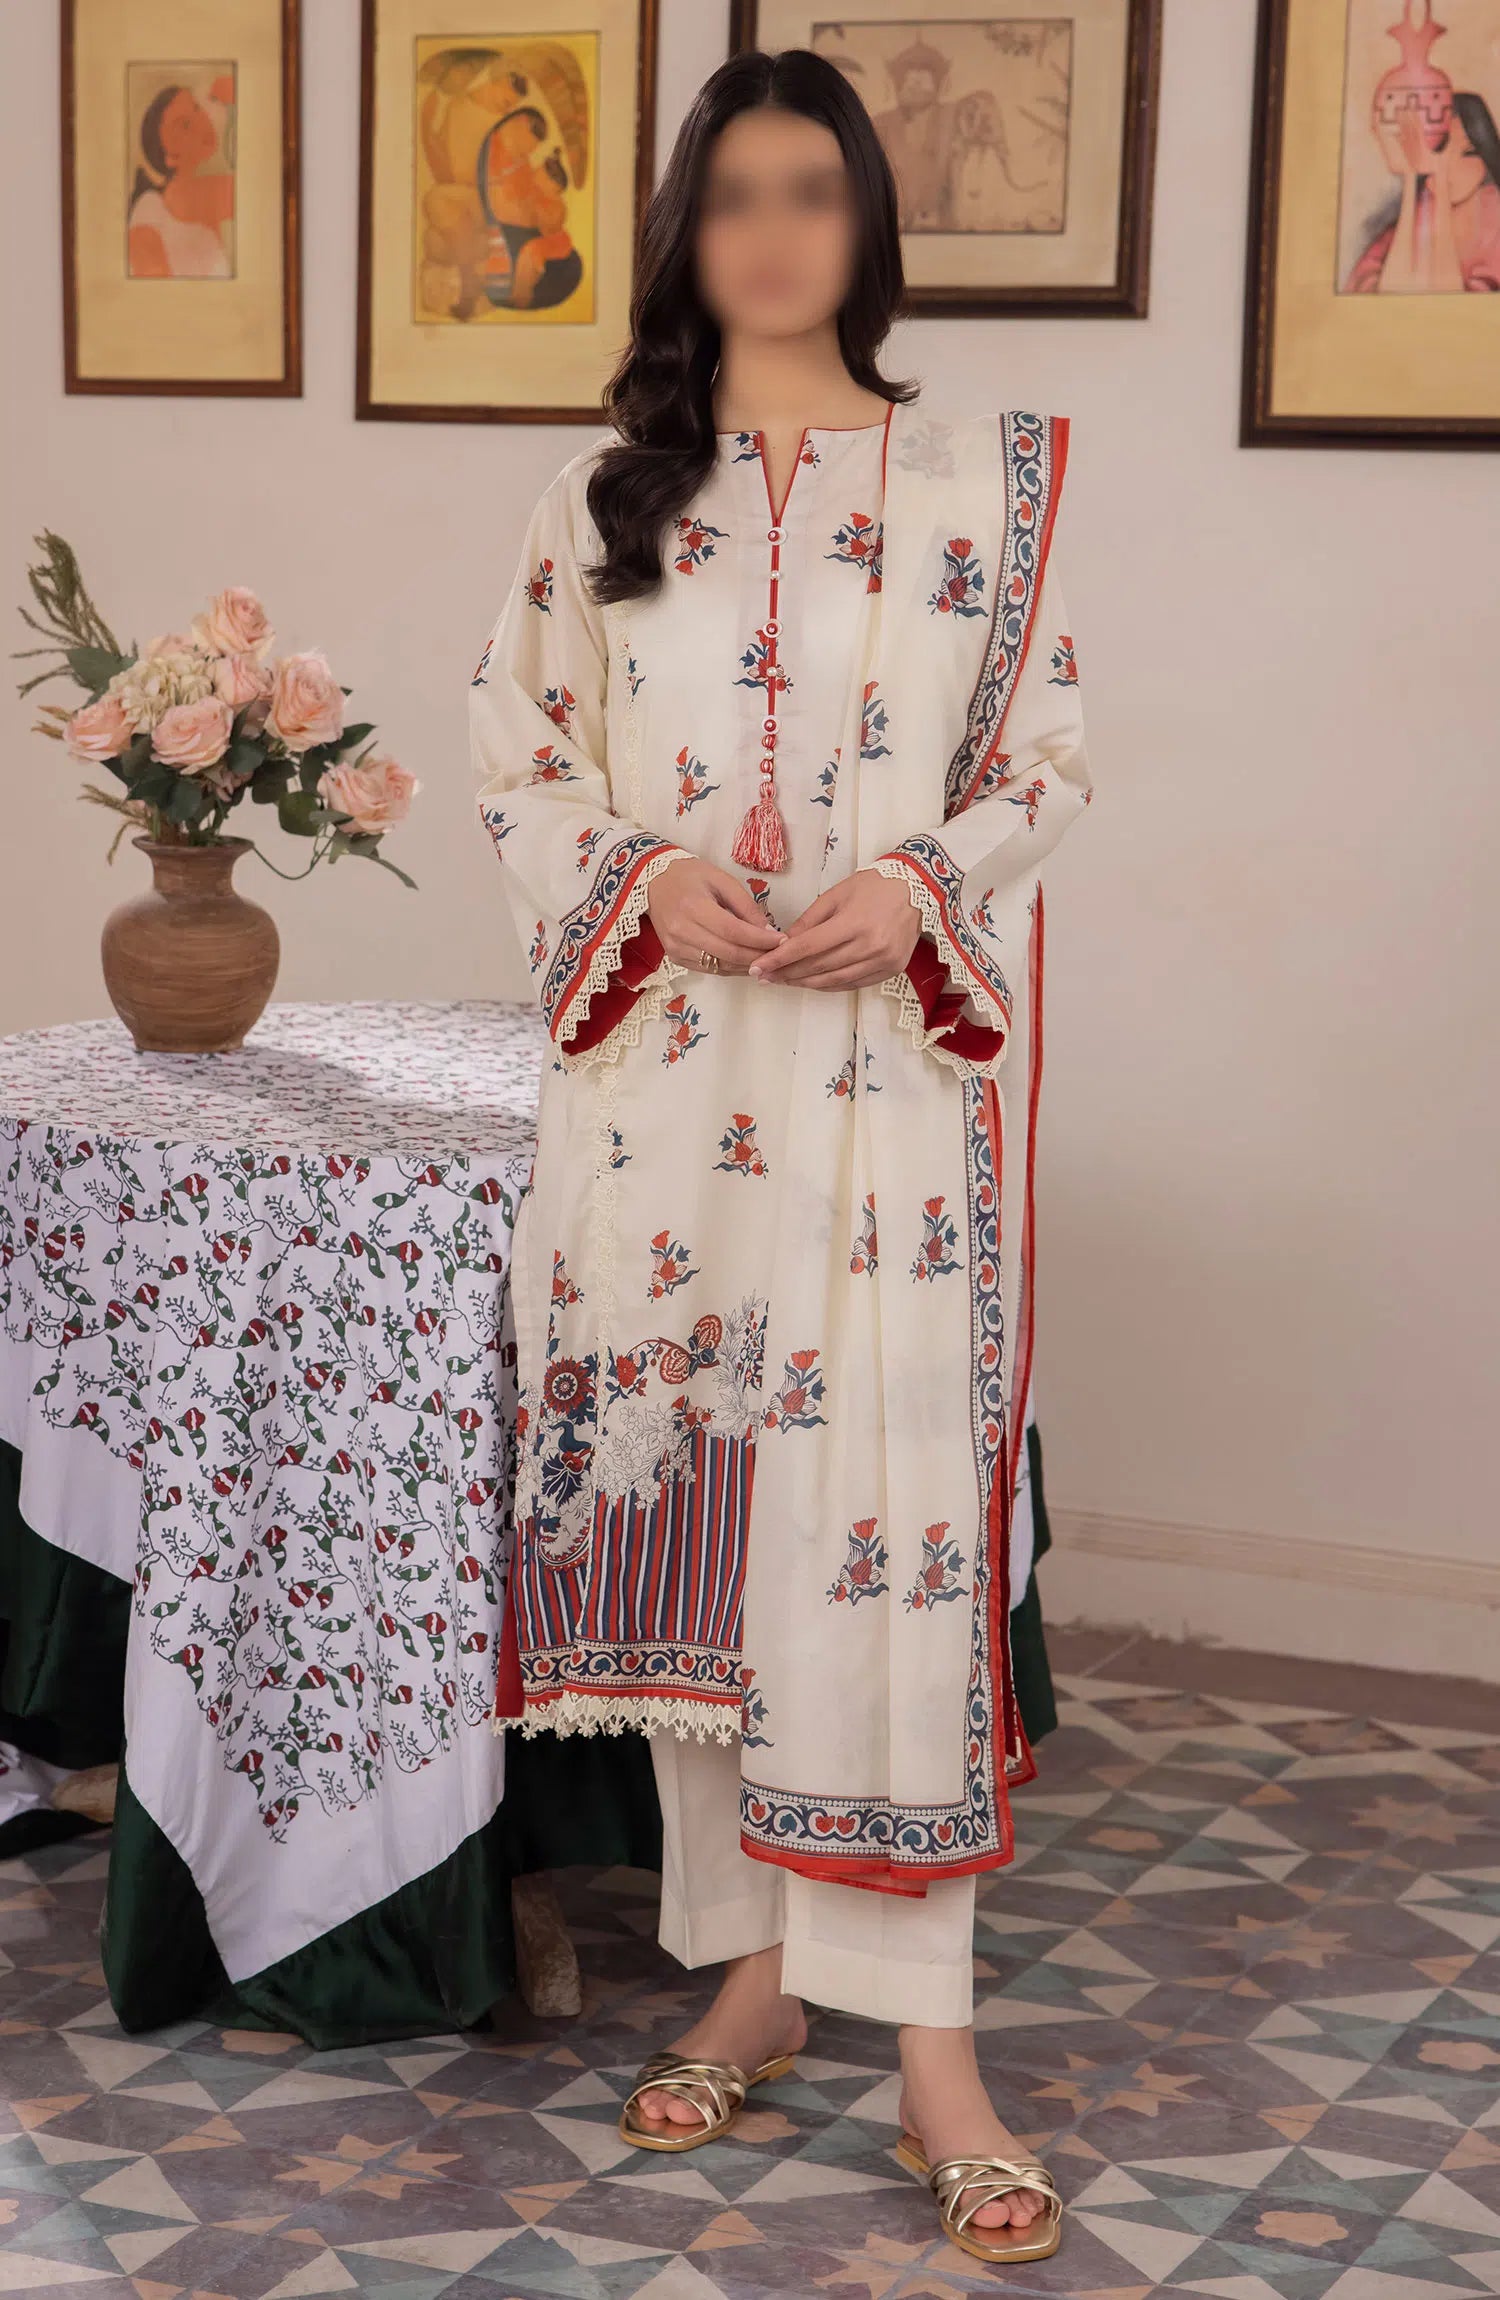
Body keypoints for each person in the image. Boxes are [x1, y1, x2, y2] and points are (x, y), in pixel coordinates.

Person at [469, 45, 1092, 2269]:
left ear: (865, 225)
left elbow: (1047, 754)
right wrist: (642, 874)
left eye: (809, 191)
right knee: (714, 1536)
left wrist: (919, 888)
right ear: (685, 230)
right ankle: (749, 1975)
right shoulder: (599, 498)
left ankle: (934, 2052)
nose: (768, 233)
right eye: (730, 194)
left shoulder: (982, 482)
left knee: (881, 1547)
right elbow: (518, 755)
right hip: (662, 1094)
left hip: (883, 1101)